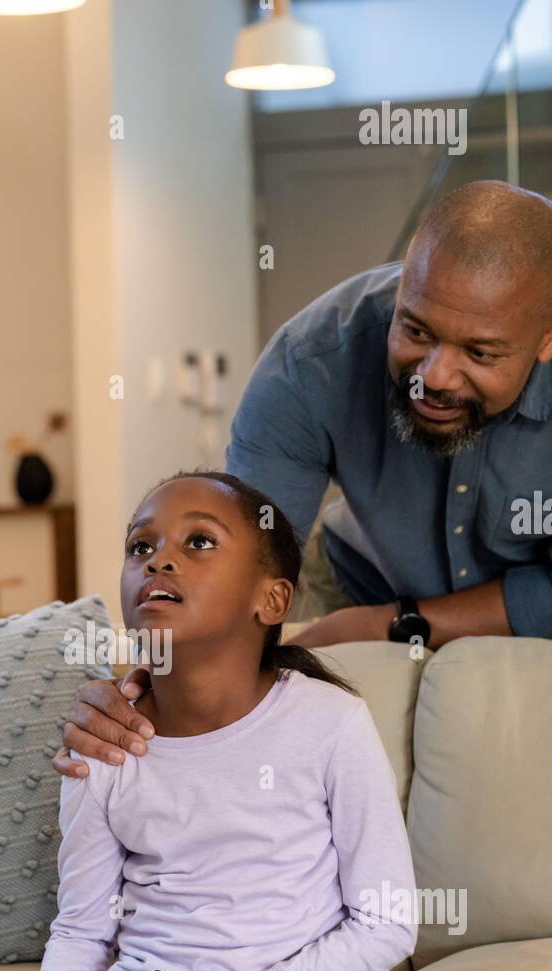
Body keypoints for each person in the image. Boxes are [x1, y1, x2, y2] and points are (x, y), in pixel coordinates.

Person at [7, 470, 417, 971]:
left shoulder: (326, 726)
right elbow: (82, 925)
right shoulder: (103, 745)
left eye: (197, 543)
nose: (158, 561)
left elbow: (386, 926)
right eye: (139, 546)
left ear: (270, 601)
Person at [226, 179, 552, 651]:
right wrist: (162, 686)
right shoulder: (309, 362)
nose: (435, 377)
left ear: (545, 340)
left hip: (522, 623)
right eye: (416, 330)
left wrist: (398, 623)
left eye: (479, 353)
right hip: (350, 593)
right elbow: (239, 568)